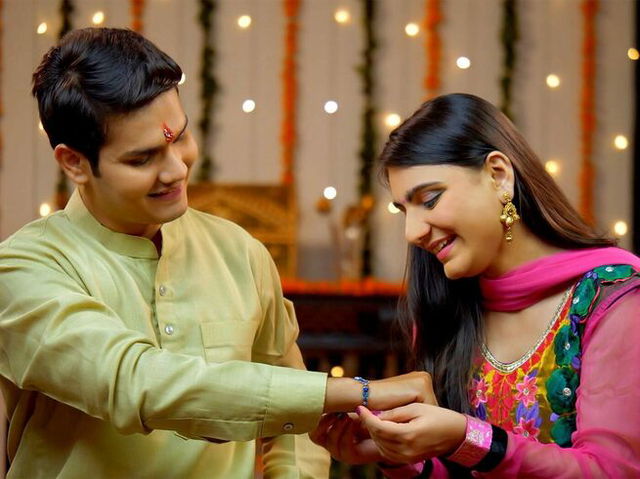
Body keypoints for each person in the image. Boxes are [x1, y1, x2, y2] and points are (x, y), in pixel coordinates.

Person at [0, 28, 433, 478]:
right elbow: (139, 384)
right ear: (74, 162)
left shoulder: (238, 252)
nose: (176, 168)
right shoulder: (25, 269)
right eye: (142, 158)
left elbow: (297, 429)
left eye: (180, 137)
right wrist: (361, 393)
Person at [311, 93, 640, 478]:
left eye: (429, 200)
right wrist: (397, 456)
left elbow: (612, 472)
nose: (413, 232)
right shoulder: (446, 307)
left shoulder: (612, 301)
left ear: (498, 175)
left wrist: (469, 439)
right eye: (404, 210)